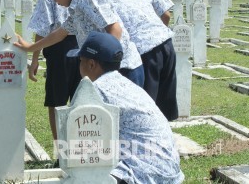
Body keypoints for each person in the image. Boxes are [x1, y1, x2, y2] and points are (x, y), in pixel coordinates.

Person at [70, 31, 184, 184]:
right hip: (168, 171)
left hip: (142, 174)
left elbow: (78, 138)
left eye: (80, 60)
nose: (79, 65)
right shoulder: (126, 84)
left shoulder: (95, 89)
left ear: (91, 64)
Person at [16, 0, 143, 86]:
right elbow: (60, 33)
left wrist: (104, 65)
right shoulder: (77, 6)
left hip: (123, 69)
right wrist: (31, 47)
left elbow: (115, 29)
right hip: (111, 70)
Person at [79, 0, 178, 121]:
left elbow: (115, 31)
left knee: (144, 111)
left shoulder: (99, 3)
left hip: (145, 51)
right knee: (163, 107)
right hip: (166, 44)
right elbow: (165, 15)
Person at [27, 0, 82, 157]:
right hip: (84, 45)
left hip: (59, 47)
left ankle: (61, 153)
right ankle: (80, 150)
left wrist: (34, 57)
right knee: (83, 99)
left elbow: (44, 24)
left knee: (57, 102)